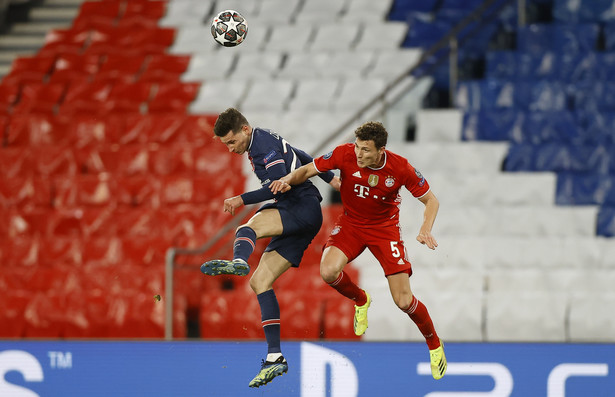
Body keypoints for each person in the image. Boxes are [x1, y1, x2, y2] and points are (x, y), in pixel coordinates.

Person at [270, 121, 447, 380]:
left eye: (365, 150)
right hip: (351, 223)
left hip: (384, 230)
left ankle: (434, 344)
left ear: (381, 150)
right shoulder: (345, 153)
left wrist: (425, 228)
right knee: (328, 271)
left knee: (404, 301)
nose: (358, 154)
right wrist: (287, 179)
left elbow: (431, 200)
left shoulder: (401, 167)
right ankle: (361, 300)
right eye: (357, 147)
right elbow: (308, 169)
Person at [201, 108, 340, 388]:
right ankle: (275, 356)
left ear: (244, 129)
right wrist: (332, 179)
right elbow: (301, 154)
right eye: (225, 145)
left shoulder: (262, 146)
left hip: (300, 206)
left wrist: (241, 198)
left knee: (247, 229)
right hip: (305, 214)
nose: (230, 149)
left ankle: (240, 260)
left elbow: (279, 187)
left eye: (231, 142)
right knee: (260, 282)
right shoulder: (262, 140)